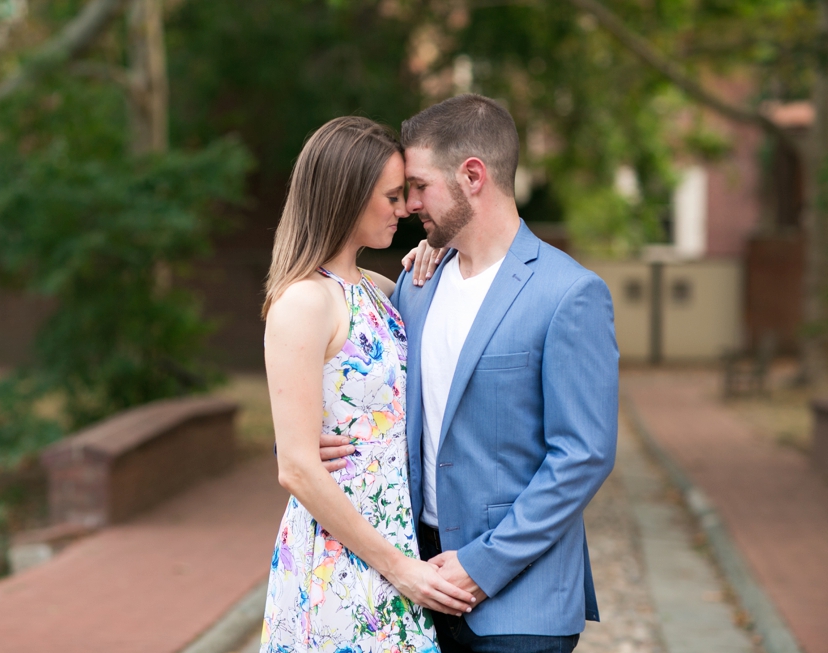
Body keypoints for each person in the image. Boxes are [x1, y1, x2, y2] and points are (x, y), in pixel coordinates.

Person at [319, 94, 620, 653]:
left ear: (472, 176)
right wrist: (317, 441)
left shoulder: (569, 293)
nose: (408, 205)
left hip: (521, 601)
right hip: (415, 586)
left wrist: (482, 565)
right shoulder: (416, 285)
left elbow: (583, 455)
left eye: (419, 186)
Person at [260, 116, 476, 653]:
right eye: (392, 196)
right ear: (346, 197)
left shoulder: (379, 289)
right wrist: (399, 569)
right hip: (343, 555)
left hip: (395, 537)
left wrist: (432, 254)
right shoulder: (303, 302)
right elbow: (296, 467)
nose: (405, 209)